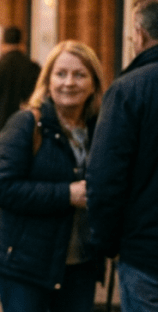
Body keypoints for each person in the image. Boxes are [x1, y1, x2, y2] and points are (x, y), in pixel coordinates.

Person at [0, 41, 106, 312]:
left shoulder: (102, 129)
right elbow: (1, 187)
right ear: (47, 80)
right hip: (25, 265)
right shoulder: (26, 124)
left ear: (94, 83)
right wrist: (67, 194)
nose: (69, 83)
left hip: (80, 265)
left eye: (79, 74)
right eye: (60, 74)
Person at [88, 1, 158, 310]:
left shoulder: (129, 90)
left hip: (146, 255)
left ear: (140, 35)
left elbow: (105, 181)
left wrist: (108, 243)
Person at [0, 26, 41, 226]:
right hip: (30, 131)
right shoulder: (33, 68)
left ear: (3, 43)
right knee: (24, 174)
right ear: (23, 42)